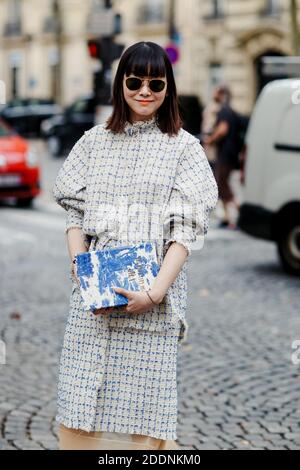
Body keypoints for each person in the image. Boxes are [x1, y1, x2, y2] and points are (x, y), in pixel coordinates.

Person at [52, 41, 218, 450]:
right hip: (94, 302)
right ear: (120, 83)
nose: (145, 91)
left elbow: (186, 230)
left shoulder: (185, 149)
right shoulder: (92, 142)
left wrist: (154, 293)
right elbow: (74, 214)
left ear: (168, 87)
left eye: (156, 83)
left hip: (153, 299)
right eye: (135, 80)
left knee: (148, 424)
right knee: (77, 411)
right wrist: (80, 266)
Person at [203, 84, 240, 228]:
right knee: (221, 184)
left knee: (223, 185)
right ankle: (226, 218)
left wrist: (211, 139)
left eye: (217, 92)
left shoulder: (224, 111)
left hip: (225, 153)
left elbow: (223, 129)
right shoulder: (232, 111)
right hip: (230, 153)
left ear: (222, 95)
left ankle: (238, 212)